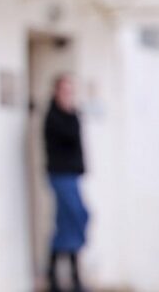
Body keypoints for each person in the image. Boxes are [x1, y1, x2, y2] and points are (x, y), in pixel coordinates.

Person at [43, 74, 89, 292]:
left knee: (67, 223)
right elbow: (69, 137)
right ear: (56, 92)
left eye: (70, 91)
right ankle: (59, 276)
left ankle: (63, 276)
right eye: (64, 90)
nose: (68, 95)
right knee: (77, 216)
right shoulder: (54, 117)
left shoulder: (71, 115)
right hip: (60, 175)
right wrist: (72, 114)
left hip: (72, 175)